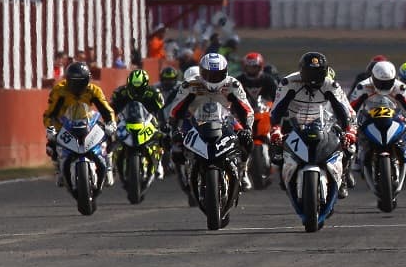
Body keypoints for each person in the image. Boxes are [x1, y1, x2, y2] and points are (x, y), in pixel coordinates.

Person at [269, 52, 357, 198]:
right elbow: (276, 110)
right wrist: (276, 130)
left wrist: (349, 131)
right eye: (309, 73)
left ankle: (342, 177)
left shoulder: (331, 85)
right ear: (301, 71)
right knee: (276, 148)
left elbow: (344, 110)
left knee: (348, 145)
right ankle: (284, 174)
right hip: (294, 122)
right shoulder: (288, 82)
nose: (313, 78)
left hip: (323, 123)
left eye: (318, 73)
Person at [167, 53, 255, 191]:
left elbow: (247, 110)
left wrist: (247, 129)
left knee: (248, 141)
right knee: (176, 148)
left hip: (226, 120)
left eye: (217, 75)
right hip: (194, 120)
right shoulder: (189, 85)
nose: (213, 79)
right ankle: (186, 173)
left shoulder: (233, 84)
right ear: (201, 72)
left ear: (225, 72)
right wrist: (175, 131)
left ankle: (243, 171)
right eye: (208, 75)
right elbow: (175, 111)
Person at [43, 62, 116, 187]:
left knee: (108, 133)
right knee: (51, 144)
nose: (78, 86)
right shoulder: (59, 91)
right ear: (68, 80)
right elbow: (50, 113)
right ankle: (59, 169)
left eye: (82, 82)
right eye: (74, 82)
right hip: (65, 125)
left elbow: (106, 109)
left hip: (87, 122)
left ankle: (108, 164)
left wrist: (111, 122)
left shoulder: (93, 90)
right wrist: (50, 127)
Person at [350, 59, 406, 177]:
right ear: (373, 78)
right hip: (369, 115)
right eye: (380, 82)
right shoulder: (363, 86)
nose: (384, 86)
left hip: (394, 114)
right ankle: (359, 153)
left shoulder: (400, 87)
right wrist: (351, 121)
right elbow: (351, 107)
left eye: (388, 82)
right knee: (356, 129)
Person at [109, 69, 167, 179]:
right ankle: (111, 165)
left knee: (161, 135)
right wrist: (110, 121)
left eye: (139, 88)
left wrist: (163, 123)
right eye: (133, 87)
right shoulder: (120, 92)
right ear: (129, 83)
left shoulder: (154, 92)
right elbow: (111, 109)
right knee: (110, 135)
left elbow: (160, 110)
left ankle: (159, 162)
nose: (136, 91)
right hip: (125, 120)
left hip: (148, 120)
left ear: (145, 84)